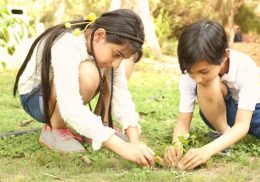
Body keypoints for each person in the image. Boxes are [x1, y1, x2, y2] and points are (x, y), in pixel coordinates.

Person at [13, 9, 155, 167]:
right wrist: (122, 148)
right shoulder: (68, 43)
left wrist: (134, 142)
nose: (116, 62)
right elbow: (70, 106)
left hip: (57, 95)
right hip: (36, 98)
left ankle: (99, 126)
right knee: (88, 73)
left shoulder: (103, 47)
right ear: (100, 35)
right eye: (116, 54)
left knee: (112, 72)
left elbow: (120, 94)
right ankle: (55, 130)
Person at [164, 20, 260, 170]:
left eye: (204, 71)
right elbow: (183, 123)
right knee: (207, 83)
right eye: (190, 72)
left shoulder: (245, 66)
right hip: (217, 112)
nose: (196, 78)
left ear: (225, 55)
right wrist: (176, 145)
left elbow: (242, 124)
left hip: (255, 111)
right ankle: (225, 135)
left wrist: (206, 151)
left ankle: (225, 139)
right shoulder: (192, 72)